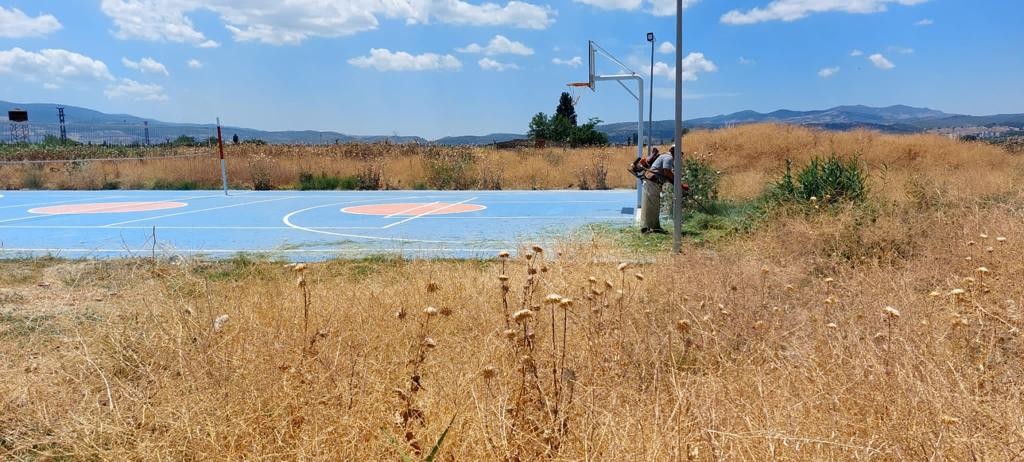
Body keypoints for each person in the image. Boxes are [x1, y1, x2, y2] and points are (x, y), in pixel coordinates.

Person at [640, 145, 675, 234]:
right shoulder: (669, 157)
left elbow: (666, 174)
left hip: (650, 181)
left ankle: (649, 227)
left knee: (650, 206)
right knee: (652, 206)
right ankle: (652, 228)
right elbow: (667, 172)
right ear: (672, 151)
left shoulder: (664, 156)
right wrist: (678, 182)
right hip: (653, 182)